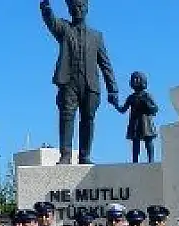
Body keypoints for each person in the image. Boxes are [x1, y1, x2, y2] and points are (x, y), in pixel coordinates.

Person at [39, 0, 120, 165]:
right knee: (66, 116)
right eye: (74, 6)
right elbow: (51, 22)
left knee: (88, 119)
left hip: (90, 85)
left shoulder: (96, 36)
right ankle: (66, 155)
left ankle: (84, 156)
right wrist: (46, 7)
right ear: (69, 9)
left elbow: (105, 64)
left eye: (82, 6)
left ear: (87, 8)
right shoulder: (64, 28)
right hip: (69, 82)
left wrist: (113, 89)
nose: (78, 9)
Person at [115, 70, 158, 163]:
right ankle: (135, 161)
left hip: (145, 122)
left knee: (148, 140)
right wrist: (115, 104)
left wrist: (147, 104)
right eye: (133, 79)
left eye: (138, 79)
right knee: (135, 141)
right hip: (135, 122)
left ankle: (151, 160)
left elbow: (155, 109)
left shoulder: (147, 95)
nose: (135, 81)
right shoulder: (131, 97)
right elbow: (123, 109)